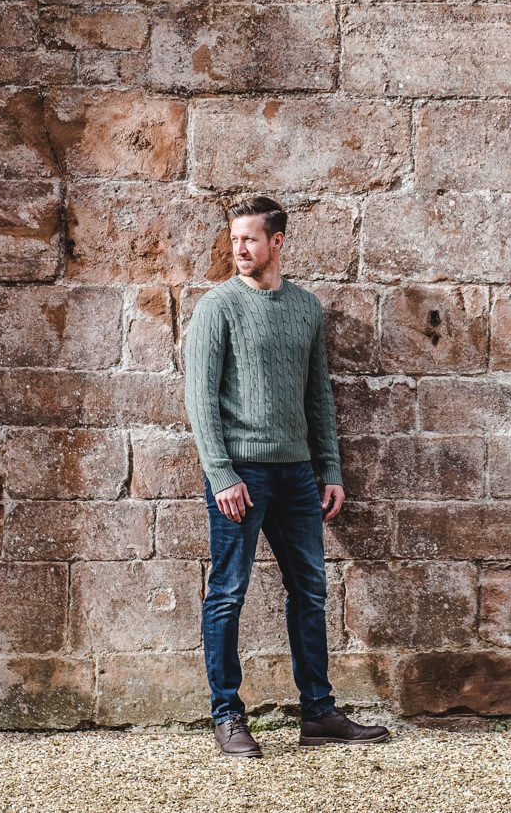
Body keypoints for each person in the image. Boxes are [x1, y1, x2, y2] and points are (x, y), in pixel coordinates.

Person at [182, 194, 389, 758]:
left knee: (311, 592)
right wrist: (222, 473)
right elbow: (199, 400)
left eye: (249, 238)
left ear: (277, 241)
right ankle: (227, 715)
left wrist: (331, 469)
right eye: (234, 239)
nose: (239, 248)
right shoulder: (216, 307)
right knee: (227, 593)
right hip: (240, 475)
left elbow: (318, 394)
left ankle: (318, 712)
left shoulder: (305, 309)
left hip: (298, 473)